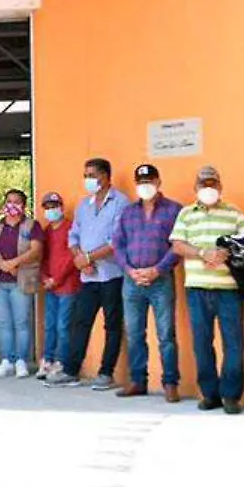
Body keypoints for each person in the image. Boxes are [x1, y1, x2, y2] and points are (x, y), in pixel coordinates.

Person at [170, 165, 244, 415]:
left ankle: (231, 396)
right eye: (204, 184)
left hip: (228, 289)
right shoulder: (186, 214)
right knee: (201, 343)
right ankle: (210, 394)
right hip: (197, 289)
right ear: (196, 188)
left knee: (234, 344)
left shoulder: (234, 213)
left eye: (213, 184)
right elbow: (177, 245)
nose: (209, 188)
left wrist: (227, 251)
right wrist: (202, 253)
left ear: (220, 186)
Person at [47, 158, 129, 390]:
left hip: (112, 274)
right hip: (88, 276)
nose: (88, 180)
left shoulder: (120, 202)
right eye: (85, 175)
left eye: (92, 175)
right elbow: (73, 236)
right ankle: (71, 370)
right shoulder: (85, 205)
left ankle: (106, 373)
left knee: (112, 325)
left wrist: (89, 258)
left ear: (105, 177)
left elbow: (116, 240)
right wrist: (80, 260)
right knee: (80, 322)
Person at [113, 164, 183, 403]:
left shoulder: (174, 210)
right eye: (141, 181)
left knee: (166, 334)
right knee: (134, 333)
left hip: (160, 279)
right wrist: (130, 270)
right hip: (132, 282)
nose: (145, 185)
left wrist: (157, 270)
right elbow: (118, 245)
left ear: (158, 181)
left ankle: (171, 383)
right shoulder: (127, 212)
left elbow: (178, 245)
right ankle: (137, 381)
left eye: (150, 180)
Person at [0, 189, 44, 378]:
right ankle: (6, 360)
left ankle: (21, 361)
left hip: (21, 281)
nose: (12, 205)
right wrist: (2, 265)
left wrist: (14, 263)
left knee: (21, 322)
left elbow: (36, 250)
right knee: (3, 323)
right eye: (9, 201)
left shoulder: (32, 226)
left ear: (24, 206)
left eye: (17, 202)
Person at [36, 193, 79, 380]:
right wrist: (45, 277)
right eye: (47, 207)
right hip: (50, 286)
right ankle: (47, 360)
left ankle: (61, 362)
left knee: (64, 326)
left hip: (68, 285)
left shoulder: (71, 227)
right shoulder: (46, 231)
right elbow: (42, 258)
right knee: (50, 325)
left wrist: (58, 278)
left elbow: (72, 257)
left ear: (61, 207)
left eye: (54, 206)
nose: (51, 210)